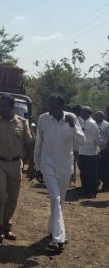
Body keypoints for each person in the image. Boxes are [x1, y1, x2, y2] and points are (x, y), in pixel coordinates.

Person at [0, 93, 34, 242]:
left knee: (13, 197)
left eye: (4, 105)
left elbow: (29, 143)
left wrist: (32, 164)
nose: (0, 108)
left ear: (11, 106)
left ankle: (6, 226)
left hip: (15, 163)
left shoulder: (22, 123)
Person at [34, 94, 85, 251]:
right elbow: (39, 143)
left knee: (59, 201)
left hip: (64, 166)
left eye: (52, 105)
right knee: (55, 198)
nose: (48, 107)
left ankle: (52, 229)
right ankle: (58, 239)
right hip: (47, 164)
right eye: (48, 104)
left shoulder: (71, 118)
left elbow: (82, 141)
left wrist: (72, 128)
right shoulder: (43, 119)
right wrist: (37, 166)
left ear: (61, 107)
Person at [78, 106, 100, 198]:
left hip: (90, 152)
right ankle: (85, 189)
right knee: (83, 172)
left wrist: (96, 149)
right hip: (82, 151)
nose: (81, 113)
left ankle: (92, 191)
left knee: (91, 173)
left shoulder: (92, 124)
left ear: (88, 113)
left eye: (83, 112)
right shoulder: (82, 122)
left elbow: (97, 139)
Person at [94, 111, 109, 191]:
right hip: (98, 148)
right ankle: (99, 183)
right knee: (99, 167)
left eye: (97, 116)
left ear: (102, 117)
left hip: (105, 149)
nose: (95, 118)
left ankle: (106, 184)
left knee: (105, 167)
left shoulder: (106, 125)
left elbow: (106, 139)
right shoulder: (95, 124)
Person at [69, 104, 82, 187]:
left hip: (80, 147)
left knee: (81, 165)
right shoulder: (72, 120)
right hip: (72, 146)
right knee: (72, 164)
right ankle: (72, 181)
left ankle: (84, 182)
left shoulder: (81, 121)